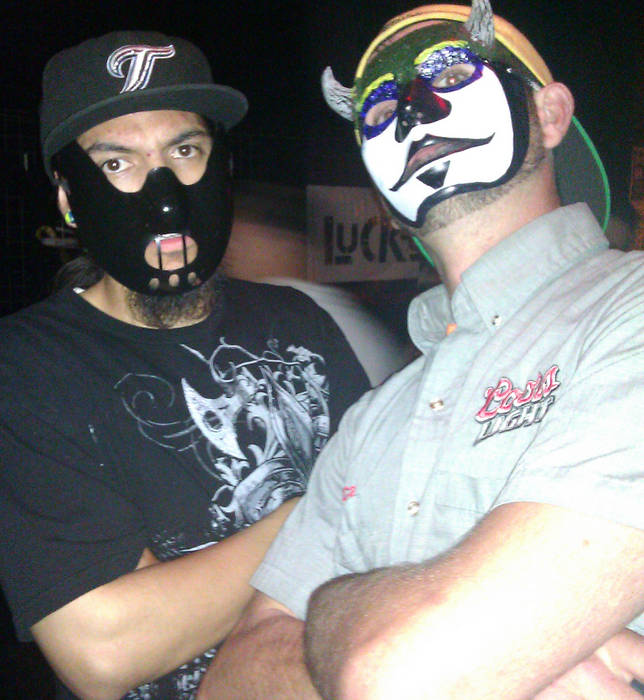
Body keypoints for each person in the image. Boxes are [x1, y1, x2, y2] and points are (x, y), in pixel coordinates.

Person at [198, 2, 644, 699]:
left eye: (451, 73)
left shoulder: (630, 311)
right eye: (379, 110)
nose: (413, 115)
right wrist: (377, 642)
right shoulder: (374, 418)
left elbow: (394, 674)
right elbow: (229, 681)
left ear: (551, 114)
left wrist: (330, 617)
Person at [0, 31, 369, 700]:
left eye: (184, 151)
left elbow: (389, 519)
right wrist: (319, 508)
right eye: (117, 162)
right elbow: (104, 651)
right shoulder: (26, 365)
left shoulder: (299, 323)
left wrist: (174, 588)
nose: (165, 194)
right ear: (68, 197)